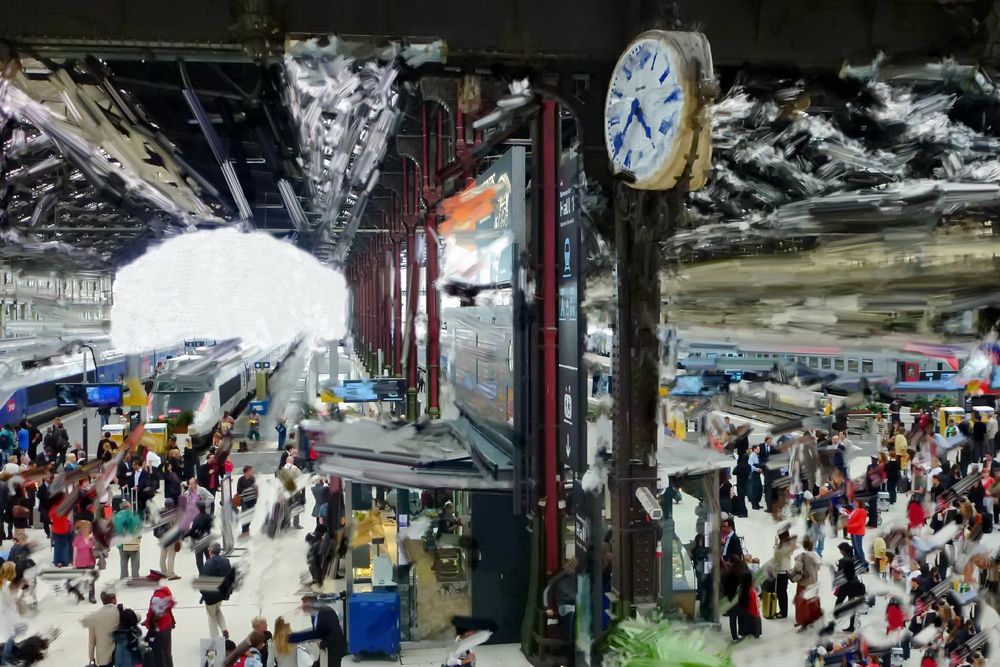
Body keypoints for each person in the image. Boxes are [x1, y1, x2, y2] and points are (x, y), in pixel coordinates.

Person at [290, 594, 348, 667]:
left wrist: (322, 643)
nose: (303, 606)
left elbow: (335, 633)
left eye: (305, 603)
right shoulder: (313, 614)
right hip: (325, 649)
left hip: (334, 649)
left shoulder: (327, 613)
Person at [200, 543, 235, 639]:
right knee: (217, 610)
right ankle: (224, 629)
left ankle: (215, 638)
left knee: (211, 616)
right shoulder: (226, 561)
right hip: (222, 594)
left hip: (211, 596)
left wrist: (203, 593)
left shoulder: (208, 563)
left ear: (210, 551)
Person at [789, 536, 822, 628]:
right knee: (813, 601)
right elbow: (818, 568)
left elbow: (798, 567)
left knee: (802, 603)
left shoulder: (802, 556)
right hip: (814, 582)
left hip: (804, 583)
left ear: (804, 545)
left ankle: (802, 620)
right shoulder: (816, 555)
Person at [81, 590, 119, 667]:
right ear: (113, 599)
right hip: (120, 654)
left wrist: (91, 658)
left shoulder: (94, 617)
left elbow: (91, 641)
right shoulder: (119, 611)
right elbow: (138, 617)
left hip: (103, 658)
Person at [834, 542, 866, 632]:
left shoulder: (842, 561)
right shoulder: (854, 558)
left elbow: (840, 575)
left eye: (840, 550)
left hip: (845, 586)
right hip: (854, 585)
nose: (840, 552)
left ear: (843, 550)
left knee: (837, 605)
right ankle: (851, 626)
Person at [145, 580, 175, 667]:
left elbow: (152, 613)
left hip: (160, 629)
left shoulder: (156, 597)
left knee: (159, 654)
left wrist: (147, 624)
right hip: (168, 624)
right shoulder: (165, 593)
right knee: (167, 651)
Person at [114, 499, 143, 579]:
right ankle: (135, 578)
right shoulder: (133, 515)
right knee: (135, 561)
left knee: (123, 561)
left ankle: (123, 579)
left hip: (121, 543)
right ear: (129, 507)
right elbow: (139, 528)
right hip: (132, 542)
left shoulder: (116, 516)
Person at [73, 519, 98, 603]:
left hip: (90, 561)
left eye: (87, 527)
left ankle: (92, 596)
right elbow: (75, 551)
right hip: (80, 562)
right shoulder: (77, 539)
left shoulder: (92, 538)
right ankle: (80, 594)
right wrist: (74, 564)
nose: (85, 529)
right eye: (83, 528)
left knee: (91, 579)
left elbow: (97, 548)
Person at [188, 500, 213, 574]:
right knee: (208, 556)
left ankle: (202, 574)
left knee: (199, 559)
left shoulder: (197, 518)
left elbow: (193, 530)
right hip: (207, 539)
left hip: (198, 540)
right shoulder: (209, 516)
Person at [236, 466, 257, 538]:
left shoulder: (253, 479)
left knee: (251, 516)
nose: (252, 472)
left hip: (252, 500)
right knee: (245, 515)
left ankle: (247, 529)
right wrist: (248, 490)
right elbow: (239, 491)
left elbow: (256, 489)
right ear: (247, 471)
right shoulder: (241, 480)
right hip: (244, 500)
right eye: (251, 471)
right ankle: (244, 531)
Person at [846, 500, 868, 567]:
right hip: (853, 531)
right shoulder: (855, 510)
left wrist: (850, 525)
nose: (853, 503)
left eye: (855, 502)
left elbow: (860, 523)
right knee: (855, 548)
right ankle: (858, 563)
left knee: (859, 549)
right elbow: (852, 517)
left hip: (858, 532)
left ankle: (863, 564)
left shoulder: (862, 511)